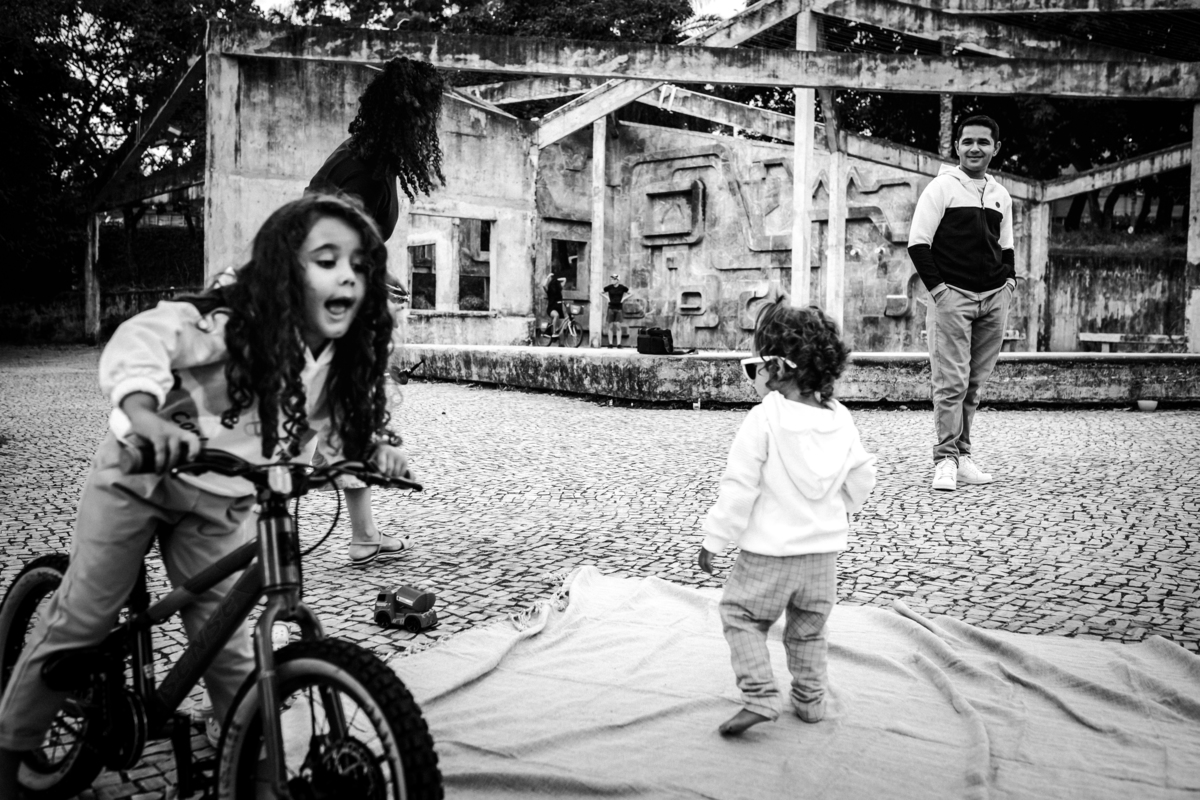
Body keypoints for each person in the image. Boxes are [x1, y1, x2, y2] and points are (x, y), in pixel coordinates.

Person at [0, 194, 410, 794]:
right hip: (141, 476)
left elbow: (334, 424)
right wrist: (145, 414)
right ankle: (8, 760)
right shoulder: (228, 322)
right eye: (327, 260)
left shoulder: (336, 356)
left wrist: (369, 448)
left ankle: (258, 779)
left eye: (360, 265)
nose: (348, 275)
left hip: (221, 503)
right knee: (83, 619)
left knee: (232, 655)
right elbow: (145, 337)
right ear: (283, 270)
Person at [697, 301, 876, 737]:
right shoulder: (840, 419)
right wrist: (838, 508)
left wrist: (715, 539)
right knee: (808, 631)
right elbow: (862, 477)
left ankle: (760, 695)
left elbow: (739, 487)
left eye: (755, 366)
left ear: (777, 369)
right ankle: (811, 701)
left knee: (740, 616)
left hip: (769, 554)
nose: (754, 375)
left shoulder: (764, 418)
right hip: (822, 557)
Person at [306, 56, 445, 565]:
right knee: (338, 414)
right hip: (327, 303)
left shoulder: (375, 159)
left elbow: (355, 235)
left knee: (346, 416)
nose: (428, 125)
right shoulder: (358, 163)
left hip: (340, 298)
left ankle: (363, 534)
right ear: (403, 113)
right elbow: (320, 228)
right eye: (423, 114)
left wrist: (378, 270)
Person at [908, 114, 1015, 492]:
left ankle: (963, 455)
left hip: (993, 299)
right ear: (957, 146)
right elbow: (918, 244)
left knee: (974, 384)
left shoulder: (1001, 195)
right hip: (952, 298)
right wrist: (940, 292)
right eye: (967, 141)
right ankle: (945, 460)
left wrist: (1009, 285)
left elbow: (1006, 247)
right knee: (950, 383)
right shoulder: (941, 188)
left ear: (995, 148)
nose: (974, 148)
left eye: (983, 142)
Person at [602, 273, 631, 348]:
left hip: (619, 308)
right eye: (611, 279)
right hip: (611, 308)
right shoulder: (609, 287)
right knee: (610, 326)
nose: (612, 280)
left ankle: (619, 344)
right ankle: (610, 344)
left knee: (618, 326)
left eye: (614, 279)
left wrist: (623, 299)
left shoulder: (622, 287)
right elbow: (600, 292)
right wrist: (607, 298)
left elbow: (631, 293)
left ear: (617, 280)